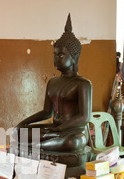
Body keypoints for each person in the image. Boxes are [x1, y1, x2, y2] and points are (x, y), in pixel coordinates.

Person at [14, 14, 92, 153]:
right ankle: (45, 144)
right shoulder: (53, 82)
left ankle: (39, 146)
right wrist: (24, 122)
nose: (56, 58)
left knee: (72, 142)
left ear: (74, 58)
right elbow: (46, 112)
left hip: (72, 132)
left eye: (61, 55)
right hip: (53, 129)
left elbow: (84, 118)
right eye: (54, 54)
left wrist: (60, 129)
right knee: (19, 132)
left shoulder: (83, 84)